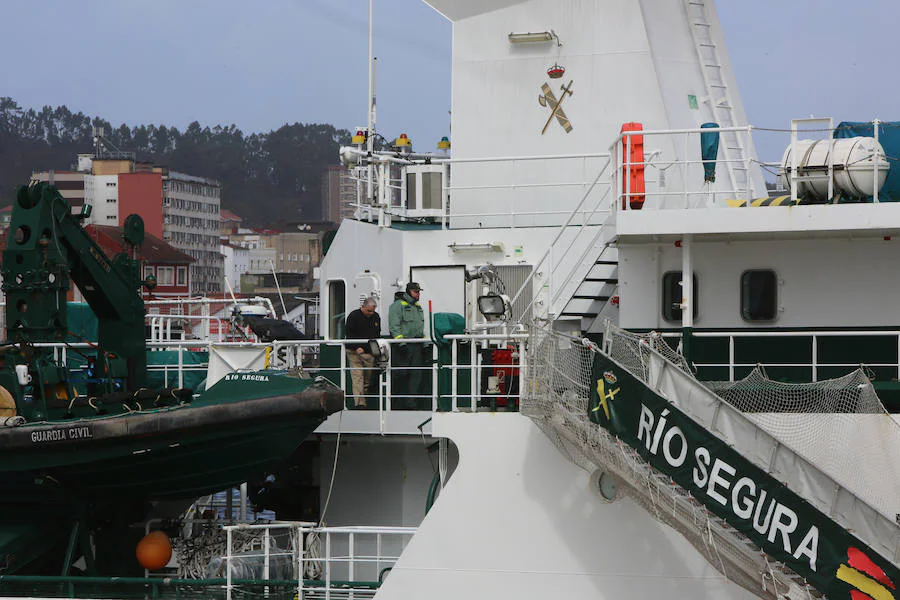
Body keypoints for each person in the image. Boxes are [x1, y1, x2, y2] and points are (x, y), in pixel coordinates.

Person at [389, 282, 425, 407]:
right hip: (402, 347)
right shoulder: (397, 306)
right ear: (409, 291)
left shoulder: (417, 307)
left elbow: (420, 327)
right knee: (401, 375)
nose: (418, 294)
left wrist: (425, 345)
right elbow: (394, 327)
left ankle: (411, 403)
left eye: (419, 292)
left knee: (416, 375)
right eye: (416, 292)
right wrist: (401, 344)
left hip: (416, 345)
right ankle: (396, 404)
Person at [344, 297, 381, 407]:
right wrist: (356, 347)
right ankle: (360, 404)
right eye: (369, 310)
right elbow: (349, 334)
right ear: (363, 307)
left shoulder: (376, 317)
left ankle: (363, 398)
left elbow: (376, 335)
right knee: (358, 377)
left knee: (367, 379)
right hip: (353, 352)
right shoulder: (353, 316)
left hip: (368, 353)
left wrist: (366, 349)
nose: (371, 313)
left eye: (372, 311)